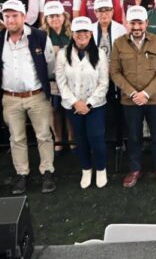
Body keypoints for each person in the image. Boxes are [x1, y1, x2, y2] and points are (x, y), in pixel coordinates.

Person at [0, 0, 57, 195]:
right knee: (17, 138)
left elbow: (50, 65)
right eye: (7, 16)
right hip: (10, 97)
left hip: (36, 95)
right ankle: (22, 174)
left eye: (14, 15)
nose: (10, 20)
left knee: (44, 135)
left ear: (23, 17)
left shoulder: (40, 36)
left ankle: (47, 172)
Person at [110, 6, 156, 188]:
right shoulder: (118, 43)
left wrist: (146, 93)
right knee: (134, 137)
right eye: (133, 23)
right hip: (130, 101)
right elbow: (115, 72)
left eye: (139, 23)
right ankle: (135, 169)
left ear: (146, 23)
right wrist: (132, 93)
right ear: (127, 24)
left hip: (155, 99)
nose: (136, 27)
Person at [55, 16, 109, 189]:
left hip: (96, 105)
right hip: (73, 106)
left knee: (96, 137)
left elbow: (104, 83)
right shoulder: (63, 54)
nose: (82, 35)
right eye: (78, 32)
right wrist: (75, 103)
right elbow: (61, 82)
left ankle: (101, 169)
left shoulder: (100, 54)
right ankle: (86, 169)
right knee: (81, 139)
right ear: (72, 33)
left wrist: (89, 104)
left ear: (91, 33)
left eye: (85, 31)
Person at [42, 2, 73, 153]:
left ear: (64, 16)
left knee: (70, 108)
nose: (55, 19)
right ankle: (59, 138)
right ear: (46, 18)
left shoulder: (71, 33)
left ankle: (72, 137)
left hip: (70, 79)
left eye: (57, 15)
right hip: (51, 79)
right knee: (54, 110)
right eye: (51, 16)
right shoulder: (41, 35)